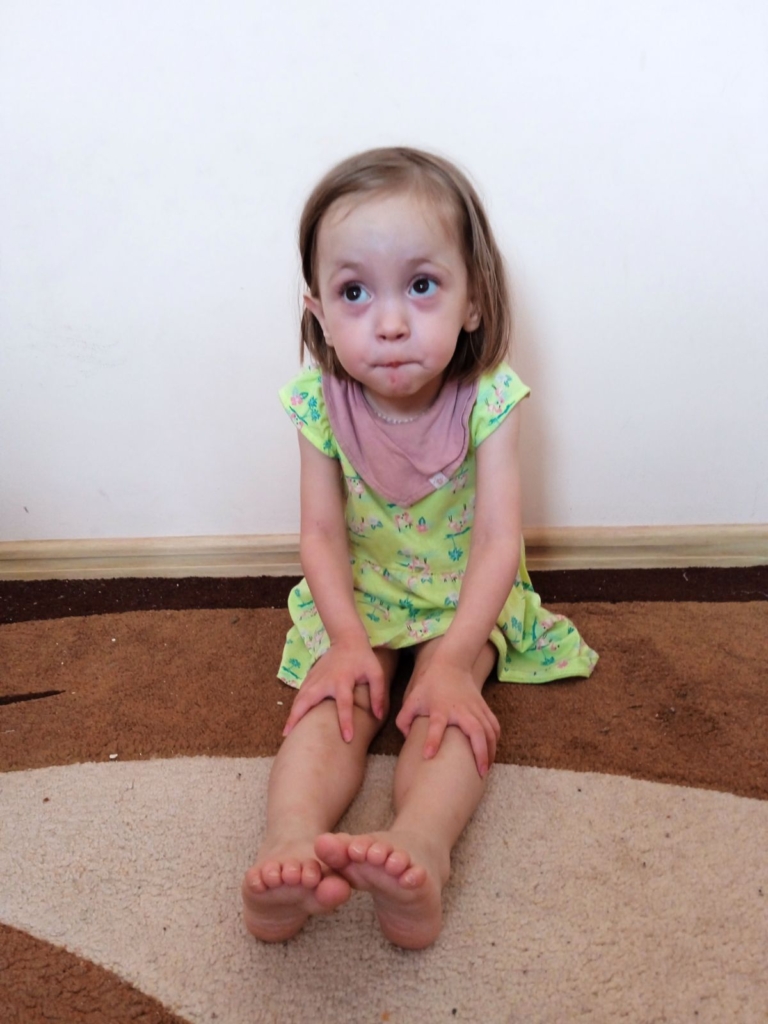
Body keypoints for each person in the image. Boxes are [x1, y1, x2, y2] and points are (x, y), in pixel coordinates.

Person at [242, 146, 598, 949]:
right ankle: (287, 842)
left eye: (423, 285)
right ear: (317, 311)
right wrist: (344, 640)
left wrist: (456, 656)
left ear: (473, 300)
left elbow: (500, 540)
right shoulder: (317, 402)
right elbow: (320, 534)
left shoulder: (490, 397)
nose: (391, 322)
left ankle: (422, 848)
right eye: (355, 292)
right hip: (363, 593)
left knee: (447, 711)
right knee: (337, 702)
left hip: (461, 597)